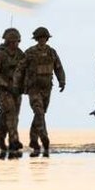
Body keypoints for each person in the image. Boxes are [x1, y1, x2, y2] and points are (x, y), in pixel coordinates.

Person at [15, 27, 65, 157]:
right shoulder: (30, 52)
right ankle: (44, 138)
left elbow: (58, 68)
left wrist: (62, 81)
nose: (42, 40)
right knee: (39, 112)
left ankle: (33, 140)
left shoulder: (51, 52)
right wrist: (16, 85)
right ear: (37, 39)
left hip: (47, 88)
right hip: (34, 88)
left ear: (47, 38)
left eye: (44, 37)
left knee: (41, 114)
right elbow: (20, 69)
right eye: (40, 38)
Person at [0, 28, 25, 153]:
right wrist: (5, 84)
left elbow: (25, 71)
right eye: (12, 42)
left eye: (16, 42)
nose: (14, 44)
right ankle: (13, 141)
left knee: (11, 115)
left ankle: (0, 136)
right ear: (7, 41)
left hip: (17, 90)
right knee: (10, 113)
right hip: (4, 90)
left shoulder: (21, 55)